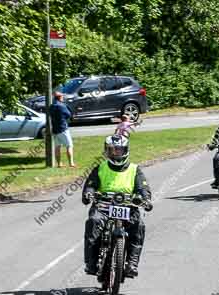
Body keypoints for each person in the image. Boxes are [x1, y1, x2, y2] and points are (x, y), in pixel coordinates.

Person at [82, 135, 152, 278]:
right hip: (103, 205)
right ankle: (91, 262)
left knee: (138, 226)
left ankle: (132, 264)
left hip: (128, 206)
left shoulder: (134, 169)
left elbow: (143, 188)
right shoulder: (100, 168)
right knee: (93, 222)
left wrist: (145, 199)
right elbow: (90, 185)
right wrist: (89, 194)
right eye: (112, 150)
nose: (116, 153)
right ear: (107, 151)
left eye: (119, 150)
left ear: (125, 150)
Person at [49, 91, 76, 168]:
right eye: (62, 97)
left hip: (55, 129)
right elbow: (69, 115)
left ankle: (59, 164)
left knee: (57, 147)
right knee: (69, 145)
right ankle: (71, 163)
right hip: (63, 128)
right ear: (60, 97)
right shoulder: (62, 106)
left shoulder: (51, 106)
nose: (63, 98)